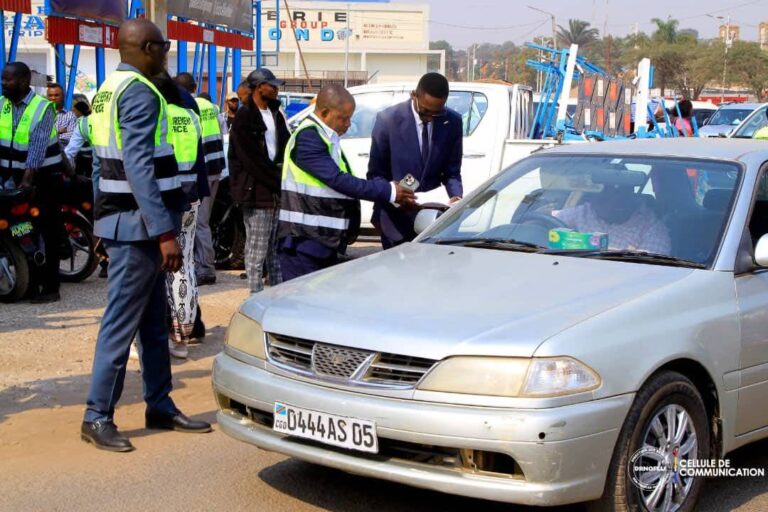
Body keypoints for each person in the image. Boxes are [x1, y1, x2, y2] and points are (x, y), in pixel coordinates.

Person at [82, 19, 211, 453]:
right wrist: (165, 234)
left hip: (125, 222)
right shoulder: (140, 92)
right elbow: (137, 167)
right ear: (151, 48)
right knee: (120, 325)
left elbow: (102, 166)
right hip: (141, 229)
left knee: (153, 323)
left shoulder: (107, 90)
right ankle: (97, 415)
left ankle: (159, 404)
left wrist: (102, 222)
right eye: (166, 47)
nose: (168, 54)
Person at [278, 84, 416, 280]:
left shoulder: (327, 138)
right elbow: (339, 180)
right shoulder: (308, 137)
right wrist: (389, 191)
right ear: (325, 113)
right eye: (344, 118)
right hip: (302, 243)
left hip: (320, 241)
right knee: (299, 307)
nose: (348, 124)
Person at [367, 72, 463, 249]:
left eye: (437, 113)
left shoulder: (453, 122)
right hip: (395, 219)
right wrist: (395, 194)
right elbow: (375, 174)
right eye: (425, 111)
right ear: (414, 95)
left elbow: (452, 171)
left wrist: (456, 197)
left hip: (431, 221)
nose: (430, 118)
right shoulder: (388, 120)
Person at [151, 72, 207, 359]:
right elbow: (200, 159)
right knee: (184, 265)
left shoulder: (155, 115)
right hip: (191, 196)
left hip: (163, 199)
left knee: (156, 268)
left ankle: (160, 335)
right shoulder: (191, 116)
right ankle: (183, 337)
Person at [0, 62, 65, 303]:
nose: (4, 83)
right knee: (17, 229)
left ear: (24, 81)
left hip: (42, 178)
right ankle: (27, 282)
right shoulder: (2, 105)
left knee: (45, 230)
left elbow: (37, 147)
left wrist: (27, 181)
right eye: (3, 79)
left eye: (8, 80)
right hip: (11, 177)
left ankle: (50, 287)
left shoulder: (43, 108)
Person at [228, 69, 288, 294]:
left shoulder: (275, 114)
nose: (276, 88)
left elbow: (284, 147)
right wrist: (277, 180)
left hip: (273, 191)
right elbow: (249, 160)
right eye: (271, 85)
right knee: (256, 251)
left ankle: (277, 300)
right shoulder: (245, 117)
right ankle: (255, 300)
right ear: (259, 87)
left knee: (274, 249)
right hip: (256, 192)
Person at [174, 72, 225, 287]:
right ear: (195, 86)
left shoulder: (187, 109)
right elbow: (223, 133)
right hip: (217, 168)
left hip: (200, 171)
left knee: (201, 222)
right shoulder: (211, 107)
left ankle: (206, 268)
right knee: (204, 220)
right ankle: (203, 263)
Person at [553, 182, 671, 254]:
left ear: (630, 198)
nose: (610, 205)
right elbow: (544, 222)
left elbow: (647, 271)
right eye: (603, 199)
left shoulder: (651, 228)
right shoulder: (584, 211)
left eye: (618, 198)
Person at [47, 82, 77, 148]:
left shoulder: (70, 115)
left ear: (63, 96)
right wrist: (59, 132)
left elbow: (72, 136)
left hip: (65, 154)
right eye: (50, 95)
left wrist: (50, 135)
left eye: (56, 95)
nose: (53, 98)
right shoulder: (42, 115)